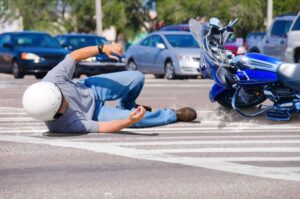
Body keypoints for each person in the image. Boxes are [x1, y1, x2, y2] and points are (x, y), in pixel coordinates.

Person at [22, 43, 197, 134]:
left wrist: (102, 48)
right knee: (138, 120)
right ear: (52, 117)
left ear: (56, 91)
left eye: (62, 100)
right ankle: (173, 115)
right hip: (95, 114)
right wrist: (128, 121)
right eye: (60, 111)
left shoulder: (52, 79)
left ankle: (126, 105)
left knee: (137, 77)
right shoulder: (62, 126)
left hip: (91, 88)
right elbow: (103, 127)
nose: (65, 106)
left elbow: (74, 56)